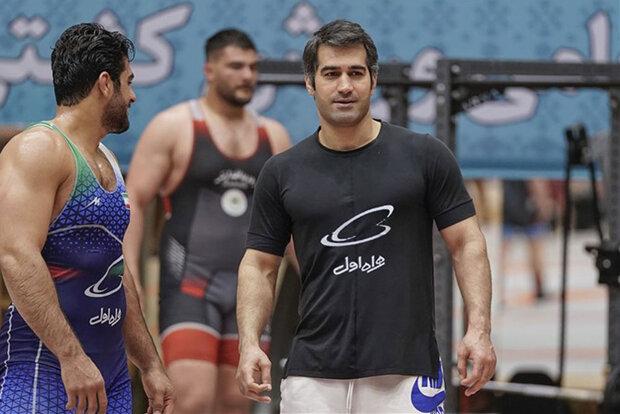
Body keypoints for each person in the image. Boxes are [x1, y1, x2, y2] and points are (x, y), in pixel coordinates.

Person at [236, 20, 496, 413]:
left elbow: (467, 242)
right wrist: (249, 342)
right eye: (331, 74)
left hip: (407, 371)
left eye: (356, 73)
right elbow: (259, 264)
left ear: (373, 80)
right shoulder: (282, 172)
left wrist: (479, 329)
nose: (345, 86)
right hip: (313, 373)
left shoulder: (425, 156)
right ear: (310, 83)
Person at [0, 23, 174, 414]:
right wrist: (71, 356)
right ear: (105, 84)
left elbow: (115, 268)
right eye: (129, 82)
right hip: (45, 370)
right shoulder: (38, 149)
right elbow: (16, 256)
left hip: (110, 376)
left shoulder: (106, 158)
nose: (133, 95)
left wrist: (149, 363)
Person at [123, 28, 291, 414]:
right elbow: (134, 202)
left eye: (253, 67)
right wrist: (129, 274)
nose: (247, 75)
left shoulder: (274, 136)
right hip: (190, 286)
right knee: (191, 398)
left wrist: (318, 281)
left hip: (249, 291)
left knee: (235, 402)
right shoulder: (174, 126)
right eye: (236, 66)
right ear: (209, 70)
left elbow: (291, 222)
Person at [500, 179, 554, 302]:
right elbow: (536, 181)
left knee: (504, 250)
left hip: (509, 203)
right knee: (535, 246)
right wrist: (543, 203)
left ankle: (497, 289)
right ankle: (539, 288)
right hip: (527, 205)